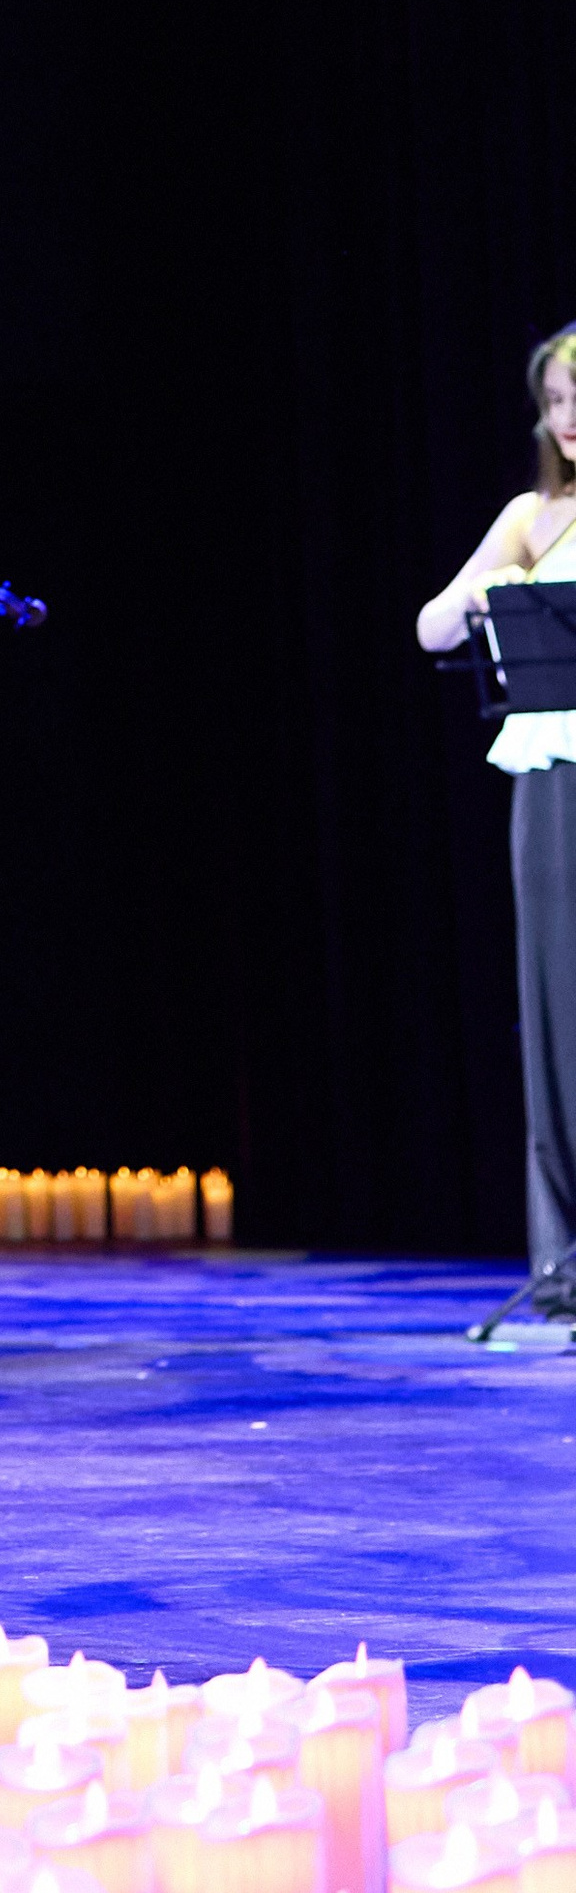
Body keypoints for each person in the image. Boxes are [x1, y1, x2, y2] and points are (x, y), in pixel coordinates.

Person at [418, 321, 576, 1308]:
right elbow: (432, 624)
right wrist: (488, 589)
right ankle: (562, 1263)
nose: (564, 421)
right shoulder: (532, 515)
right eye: (553, 403)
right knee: (557, 1018)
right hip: (553, 775)